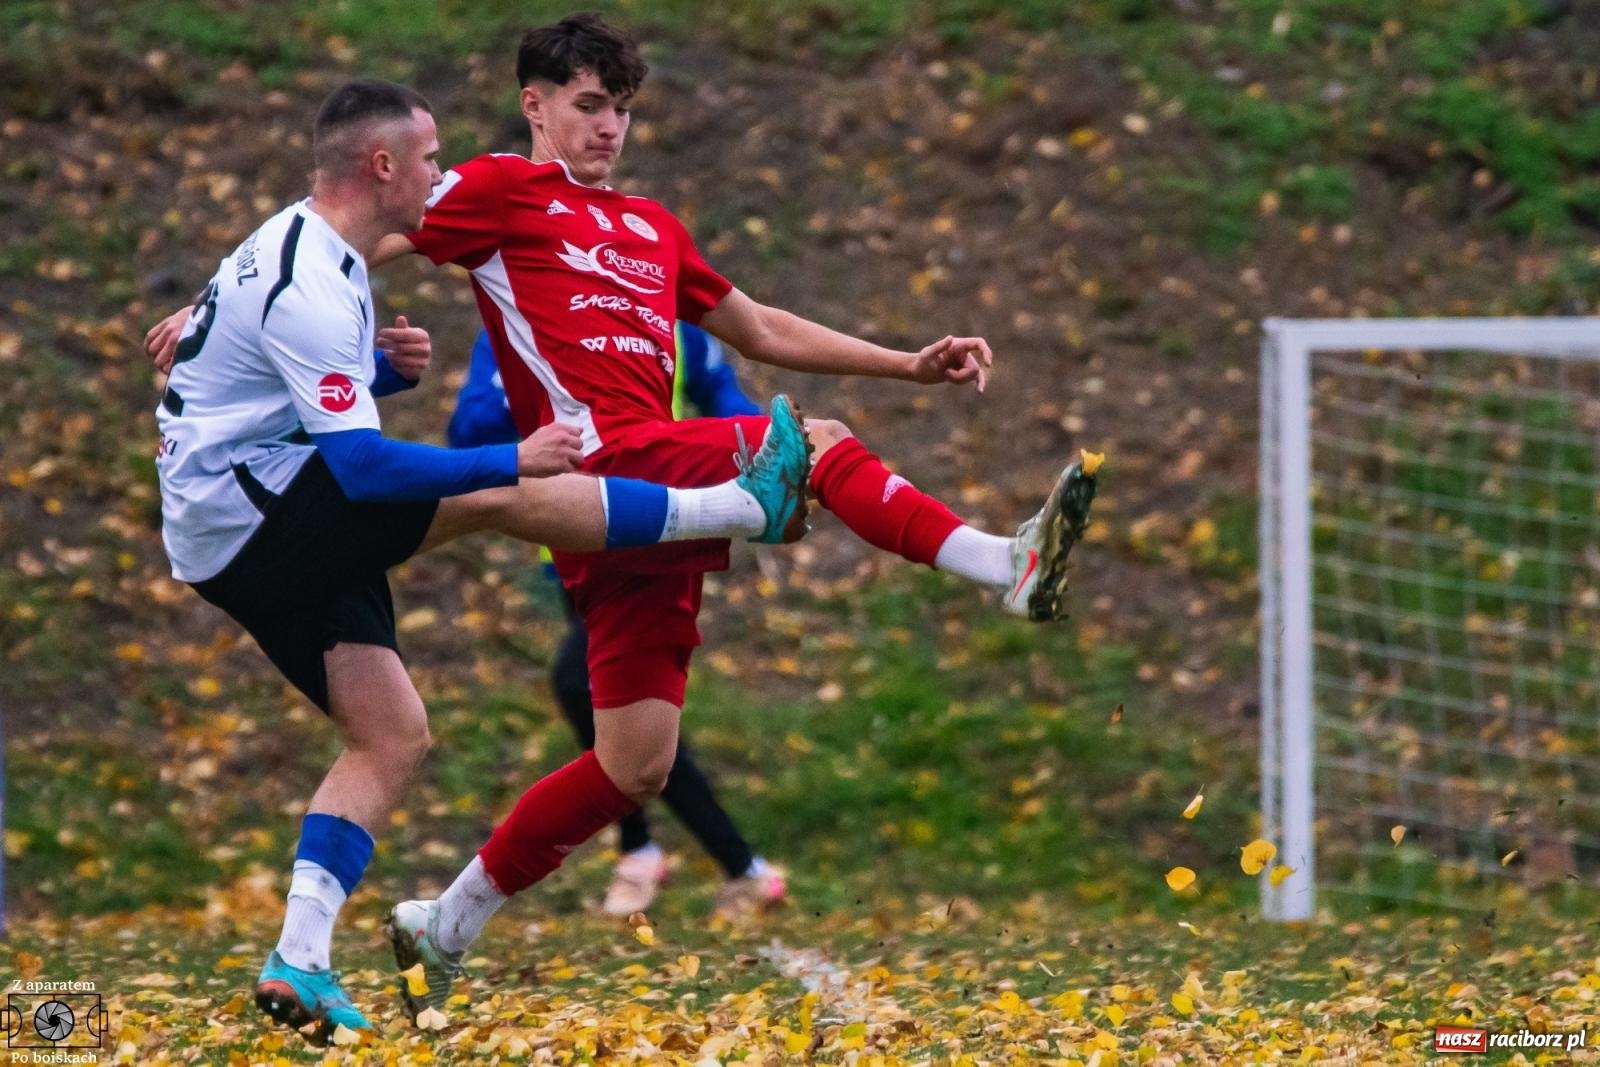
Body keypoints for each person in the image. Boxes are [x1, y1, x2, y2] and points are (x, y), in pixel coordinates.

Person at [365, 14, 1099, 1025]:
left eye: (620, 109)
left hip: (649, 489)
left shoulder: (650, 227)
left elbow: (757, 328)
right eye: (587, 105)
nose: (608, 127)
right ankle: (1004, 564)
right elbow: (361, 227)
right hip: (598, 464)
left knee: (635, 764)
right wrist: (236, 310)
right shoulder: (497, 188)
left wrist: (905, 360)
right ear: (533, 104)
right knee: (812, 444)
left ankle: (441, 922)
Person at [144, 78, 811, 1040]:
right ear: (382, 166)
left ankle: (299, 959)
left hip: (227, 524)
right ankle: (737, 504)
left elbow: (260, 378)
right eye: (428, 155)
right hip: (256, 516)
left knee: (392, 733)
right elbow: (365, 469)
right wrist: (513, 456)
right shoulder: (312, 280)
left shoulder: (301, 247)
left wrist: (381, 370)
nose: (440, 171)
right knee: (493, 496)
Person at [449, 324, 787, 918]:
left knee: (585, 688)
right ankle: (729, 865)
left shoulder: (676, 326)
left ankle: (664, 854)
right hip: (575, 546)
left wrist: (727, 469)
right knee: (620, 712)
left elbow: (733, 409)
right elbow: (468, 430)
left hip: (663, 535)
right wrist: (526, 386)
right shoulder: (513, 320)